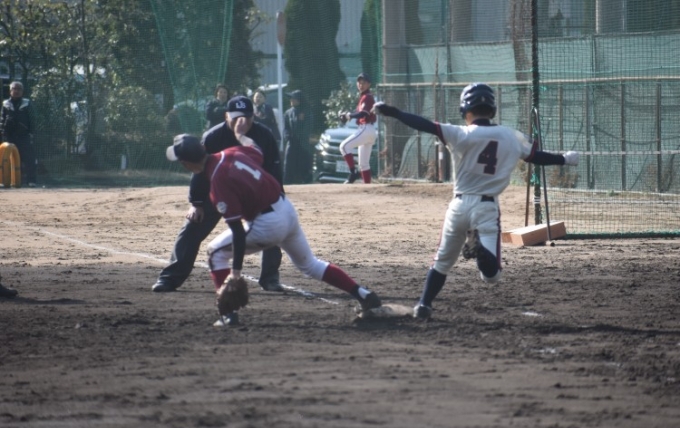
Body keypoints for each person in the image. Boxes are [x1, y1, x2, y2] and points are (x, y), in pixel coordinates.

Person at [372, 82, 580, 320]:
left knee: (441, 263)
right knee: (491, 276)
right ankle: (480, 249)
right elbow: (537, 157)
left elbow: (424, 124)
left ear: (465, 109)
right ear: (492, 109)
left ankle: (424, 305)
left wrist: (395, 112)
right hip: (486, 208)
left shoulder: (459, 133)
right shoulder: (510, 136)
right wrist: (564, 159)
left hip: (458, 206)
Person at [165, 127, 382, 325]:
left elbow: (238, 232)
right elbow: (255, 150)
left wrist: (236, 274)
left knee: (215, 252)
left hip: (267, 224)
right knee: (310, 264)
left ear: (187, 164)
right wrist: (240, 135)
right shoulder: (232, 152)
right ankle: (363, 295)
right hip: (286, 209)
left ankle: (228, 315)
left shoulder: (218, 182)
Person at [153, 95, 284, 293]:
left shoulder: (264, 135)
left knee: (271, 228)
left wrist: (277, 199)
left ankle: (270, 278)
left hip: (252, 195)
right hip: (217, 192)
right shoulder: (213, 136)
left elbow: (273, 169)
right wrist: (196, 203)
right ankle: (170, 278)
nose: (242, 121)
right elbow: (199, 171)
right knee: (191, 228)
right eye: (237, 117)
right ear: (226, 116)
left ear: (253, 117)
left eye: (247, 117)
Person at [338, 73, 378, 184]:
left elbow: (364, 114)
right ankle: (367, 186)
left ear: (369, 84)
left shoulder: (367, 97)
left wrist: (349, 116)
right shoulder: (364, 97)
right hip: (370, 131)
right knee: (364, 164)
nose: (361, 85)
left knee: (344, 146)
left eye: (364, 83)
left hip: (366, 128)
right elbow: (358, 113)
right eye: (359, 83)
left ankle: (353, 172)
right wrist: (347, 115)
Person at [1, 81, 37, 187]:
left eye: (19, 89)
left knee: (29, 158)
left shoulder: (27, 103)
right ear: (10, 91)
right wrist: (3, 131)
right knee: (6, 159)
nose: (16, 91)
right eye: (14, 89)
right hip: (9, 136)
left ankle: (31, 181)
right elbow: (2, 119)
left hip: (24, 135)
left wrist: (31, 133)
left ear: (22, 91)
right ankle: (5, 181)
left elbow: (33, 119)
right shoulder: (5, 104)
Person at [282, 90, 313, 184]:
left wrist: (301, 136)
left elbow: (308, 127)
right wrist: (287, 136)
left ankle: (305, 183)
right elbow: (286, 128)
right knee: (288, 163)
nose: (291, 100)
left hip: (303, 143)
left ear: (299, 100)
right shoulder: (288, 113)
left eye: (293, 98)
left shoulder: (307, 111)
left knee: (303, 163)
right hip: (291, 142)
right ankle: (287, 183)